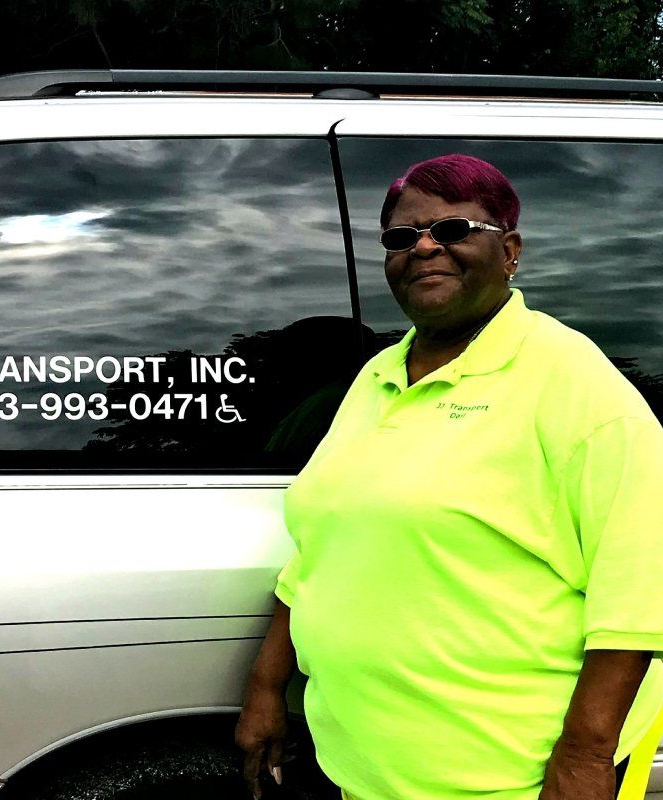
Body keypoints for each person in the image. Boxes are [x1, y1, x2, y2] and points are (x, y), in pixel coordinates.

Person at [235, 154, 663, 800]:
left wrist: (584, 756)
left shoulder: (571, 380)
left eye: (455, 229)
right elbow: (317, 545)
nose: (425, 248)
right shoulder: (377, 379)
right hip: (368, 775)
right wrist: (265, 688)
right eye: (403, 238)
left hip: (513, 779)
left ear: (510, 250)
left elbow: (641, 586)